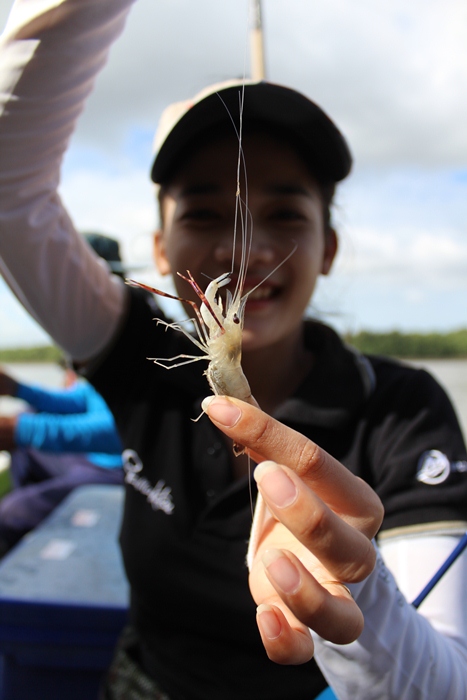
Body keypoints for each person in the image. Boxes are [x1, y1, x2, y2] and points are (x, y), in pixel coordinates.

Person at [0, 2, 466, 699]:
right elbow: (11, 188)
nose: (240, 250)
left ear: (328, 248)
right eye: (202, 212)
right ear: (159, 248)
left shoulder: (401, 411)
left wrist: (361, 605)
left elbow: (446, 680)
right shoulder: (133, 349)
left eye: (283, 213)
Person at [0, 365, 123, 550]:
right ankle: (40, 510)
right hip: (89, 457)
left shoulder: (151, 364)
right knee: (27, 417)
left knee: (11, 511)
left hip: (118, 471)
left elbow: (118, 430)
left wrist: (20, 429)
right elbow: (77, 401)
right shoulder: (113, 364)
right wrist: (16, 388)